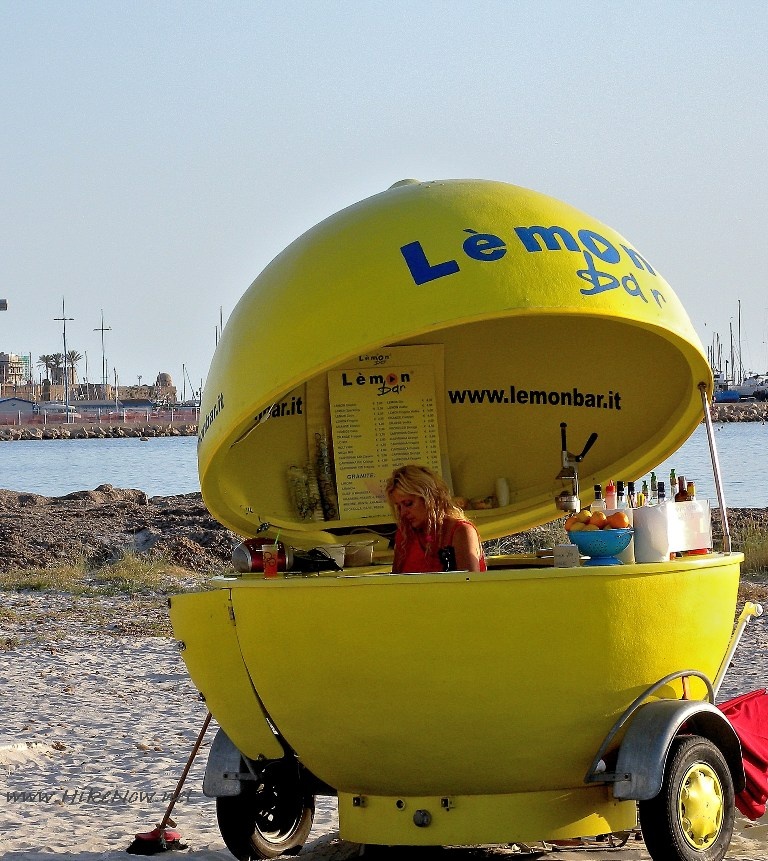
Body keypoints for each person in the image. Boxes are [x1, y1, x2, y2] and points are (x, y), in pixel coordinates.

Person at [385, 464, 487, 574]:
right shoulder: (405, 535)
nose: (403, 513)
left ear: (430, 499)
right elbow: (395, 583)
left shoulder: (461, 531)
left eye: (408, 503)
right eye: (399, 507)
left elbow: (470, 585)